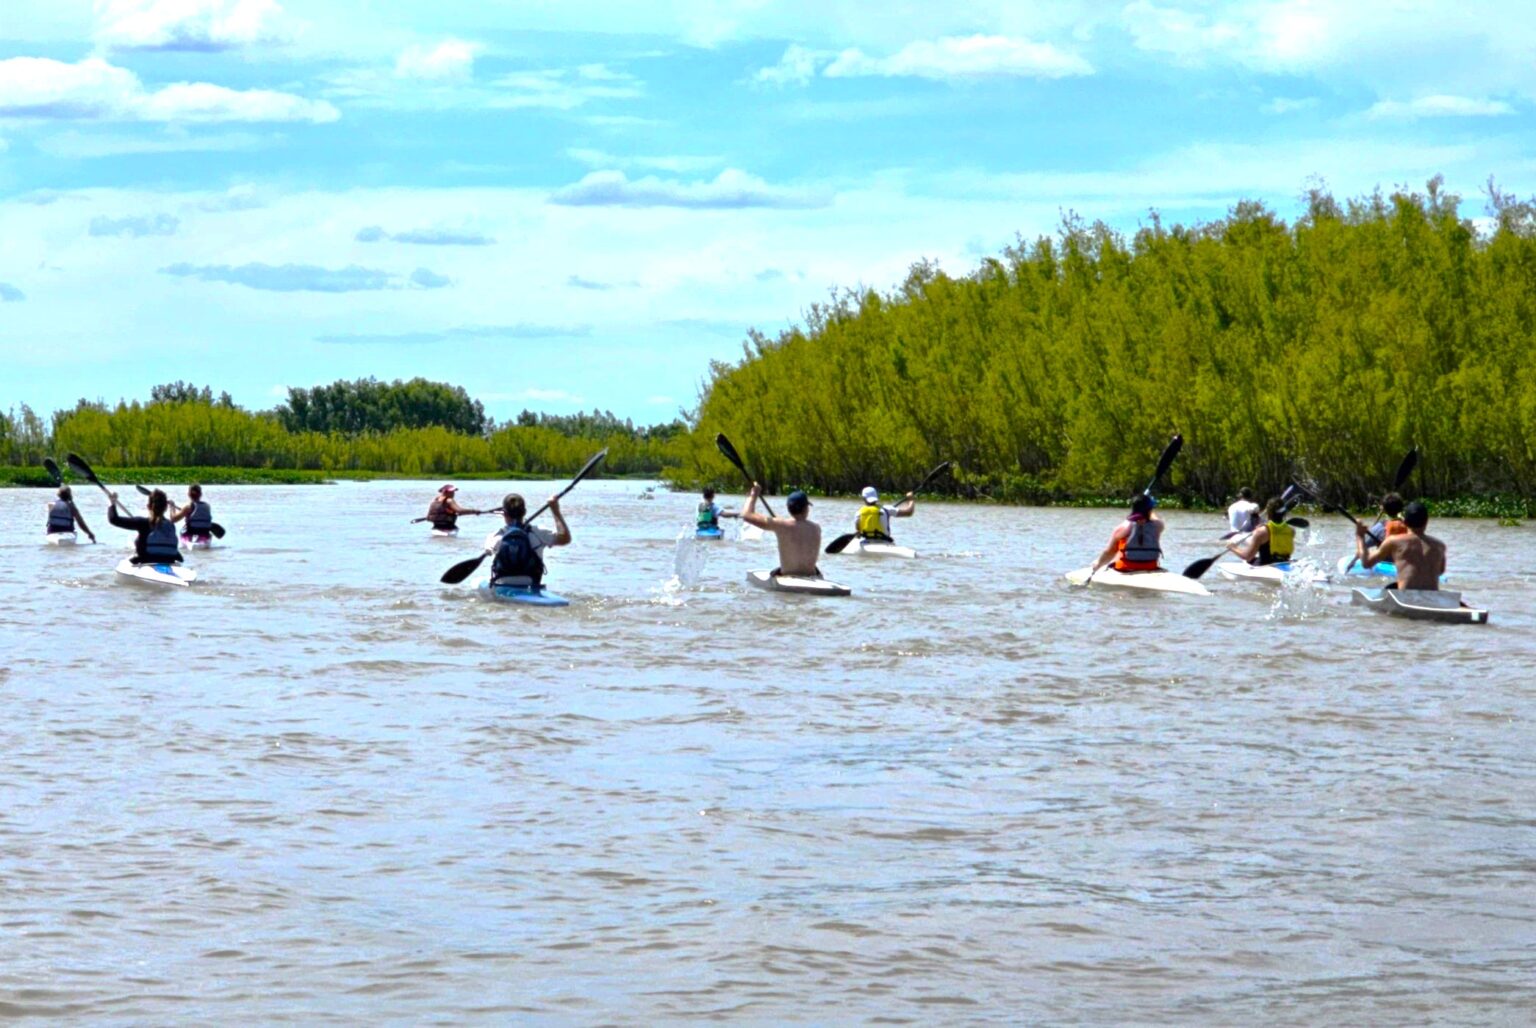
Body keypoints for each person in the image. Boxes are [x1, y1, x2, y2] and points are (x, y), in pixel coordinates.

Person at [1356, 500, 1445, 590]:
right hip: (1434, 597)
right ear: (1426, 522)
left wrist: (1360, 537)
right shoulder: (1440, 546)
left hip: (1405, 597)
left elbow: (1366, 563)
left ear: (1405, 522)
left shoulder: (1393, 541)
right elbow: (1440, 571)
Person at [490, 492, 570, 587]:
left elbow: (488, 551)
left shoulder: (496, 536)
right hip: (531, 584)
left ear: (504, 514)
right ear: (524, 512)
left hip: (502, 584)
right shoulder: (538, 532)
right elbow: (565, 539)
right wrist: (555, 510)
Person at [742, 485, 821, 577]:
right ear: (806, 508)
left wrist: (753, 495)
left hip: (788, 576)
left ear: (788, 508)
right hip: (811, 576)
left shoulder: (780, 524)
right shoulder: (816, 528)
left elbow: (746, 515)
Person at [106, 488, 183, 564]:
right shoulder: (171, 525)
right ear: (166, 507)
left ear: (148, 506)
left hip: (147, 561)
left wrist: (111, 503)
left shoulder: (143, 523)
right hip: (169, 561)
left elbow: (113, 519)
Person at [1090, 494, 1163, 574]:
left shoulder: (1123, 527)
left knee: (1115, 556)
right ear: (1150, 509)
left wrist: (1098, 564)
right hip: (1150, 566)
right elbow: (1153, 517)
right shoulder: (1158, 526)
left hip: (1126, 568)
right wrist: (1148, 507)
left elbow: (1110, 551)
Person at [1230, 496, 1295, 566]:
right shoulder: (1291, 531)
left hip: (1265, 566)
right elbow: (1277, 531)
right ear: (1284, 513)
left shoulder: (1261, 532)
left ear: (1268, 512)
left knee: (1250, 560)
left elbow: (1247, 557)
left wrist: (1232, 547)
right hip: (1284, 563)